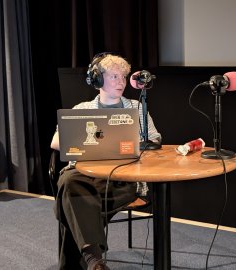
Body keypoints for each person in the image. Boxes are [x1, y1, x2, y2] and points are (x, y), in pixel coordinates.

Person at [50, 53, 162, 270]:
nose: (121, 82)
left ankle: (90, 261)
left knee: (71, 201)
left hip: (122, 179)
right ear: (98, 80)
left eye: (123, 77)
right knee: (70, 182)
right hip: (83, 176)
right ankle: (95, 261)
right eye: (114, 77)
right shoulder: (82, 109)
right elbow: (55, 141)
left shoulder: (136, 109)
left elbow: (155, 139)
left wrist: (131, 144)